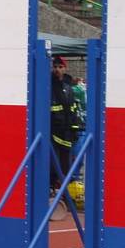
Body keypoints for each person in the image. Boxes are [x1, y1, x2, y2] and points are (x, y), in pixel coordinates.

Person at [51, 55, 79, 191]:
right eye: (55, 67)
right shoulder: (49, 84)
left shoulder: (69, 86)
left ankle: (64, 189)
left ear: (65, 68)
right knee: (54, 161)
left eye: (60, 67)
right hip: (54, 131)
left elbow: (72, 107)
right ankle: (54, 186)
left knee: (66, 162)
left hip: (67, 132)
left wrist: (74, 124)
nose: (57, 70)